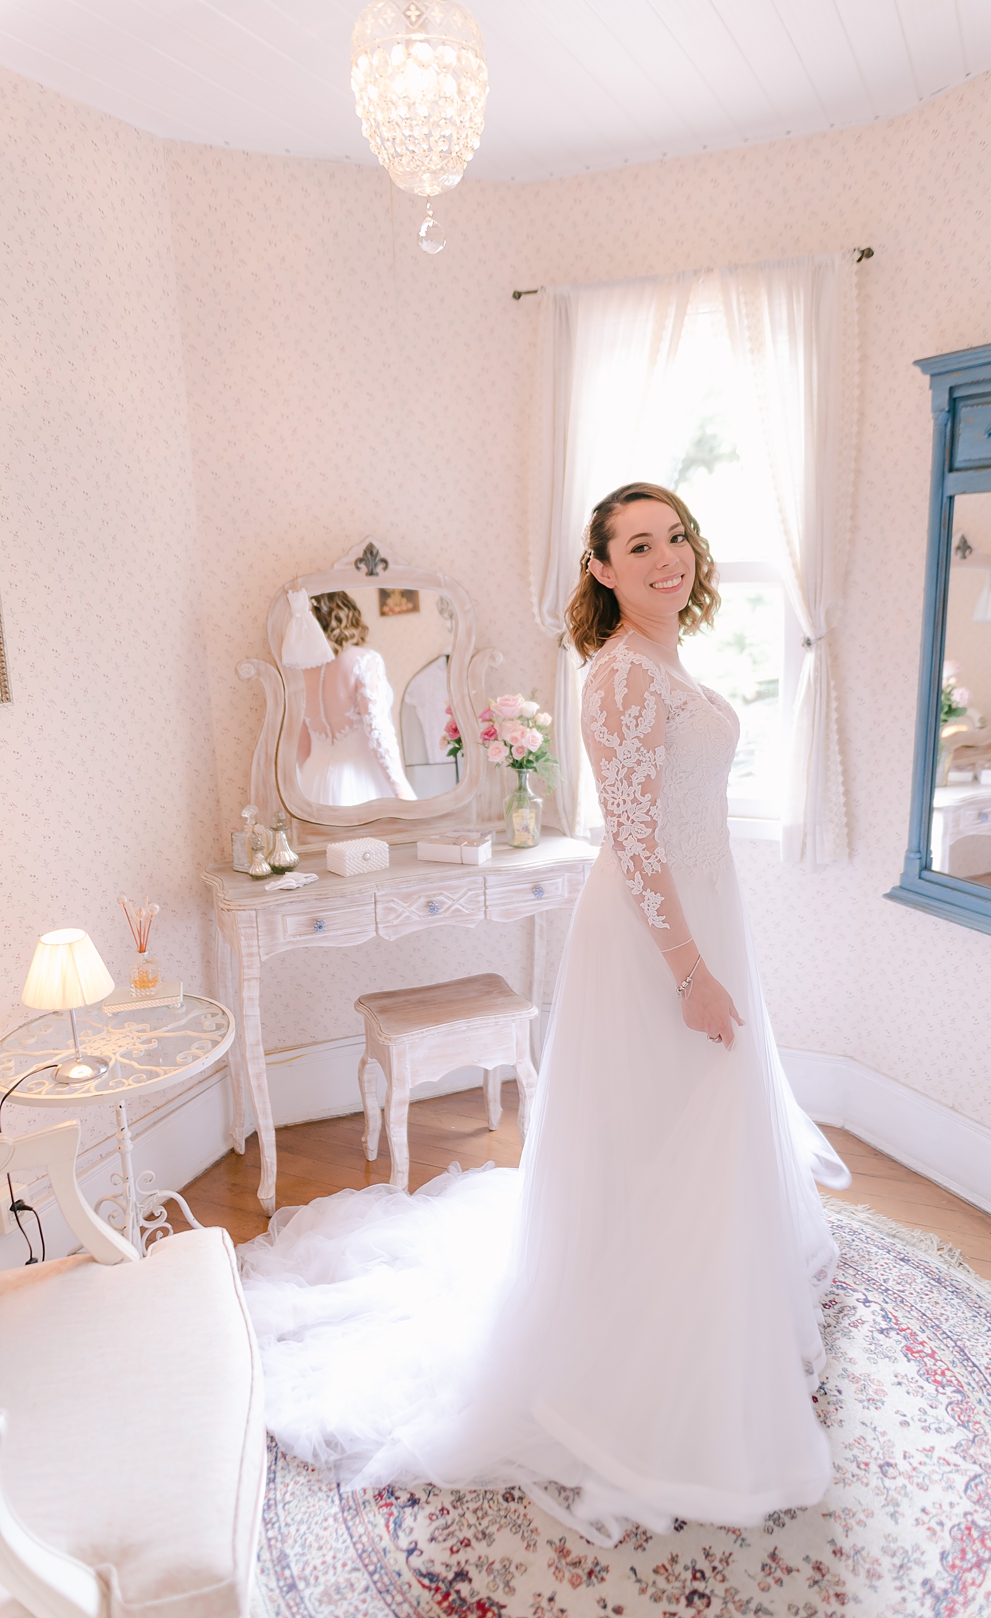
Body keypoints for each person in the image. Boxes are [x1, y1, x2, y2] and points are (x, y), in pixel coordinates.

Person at [241, 483, 850, 1546]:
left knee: (695, 1122)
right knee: (660, 1117)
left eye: (676, 538)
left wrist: (712, 955)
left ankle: (700, 1303)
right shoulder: (619, 675)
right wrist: (691, 974)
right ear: (602, 569)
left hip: (703, 913)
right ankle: (633, 1331)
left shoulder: (667, 660)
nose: (667, 557)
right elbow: (637, 840)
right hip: (659, 937)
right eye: (638, 545)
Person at [293, 590, 416, 805]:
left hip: (314, 779)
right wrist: (403, 792)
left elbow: (302, 745)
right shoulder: (365, 660)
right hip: (360, 779)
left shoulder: (300, 671)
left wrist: (315, 779)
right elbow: (378, 733)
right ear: (348, 615)